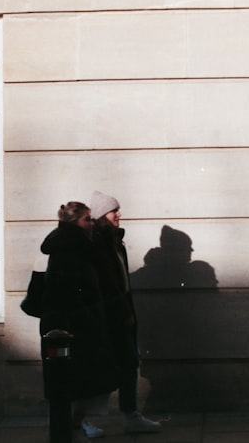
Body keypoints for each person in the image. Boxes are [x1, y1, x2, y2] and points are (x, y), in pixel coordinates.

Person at [40, 201, 119, 443]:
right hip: (75, 323)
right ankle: (75, 424)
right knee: (80, 376)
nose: (92, 222)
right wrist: (89, 315)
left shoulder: (74, 244)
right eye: (88, 219)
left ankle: (74, 423)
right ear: (75, 223)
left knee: (80, 377)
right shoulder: (74, 248)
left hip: (72, 321)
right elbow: (73, 290)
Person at [85, 190, 161, 436]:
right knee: (104, 366)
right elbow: (105, 284)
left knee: (128, 363)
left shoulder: (115, 243)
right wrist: (120, 310)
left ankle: (130, 416)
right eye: (113, 210)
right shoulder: (96, 244)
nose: (119, 214)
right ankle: (82, 419)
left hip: (122, 314)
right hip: (108, 316)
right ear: (100, 215)